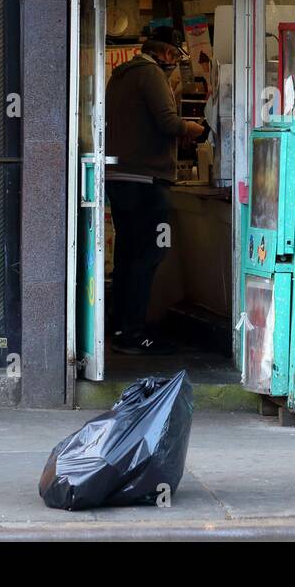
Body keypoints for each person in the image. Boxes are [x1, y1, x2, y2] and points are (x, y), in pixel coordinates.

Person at [105, 29, 205, 354]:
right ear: (163, 53)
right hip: (147, 181)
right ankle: (133, 332)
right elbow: (167, 122)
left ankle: (119, 326)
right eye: (174, 55)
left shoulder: (119, 76)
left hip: (120, 178)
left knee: (127, 254)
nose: (174, 62)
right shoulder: (150, 75)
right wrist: (191, 128)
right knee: (148, 255)